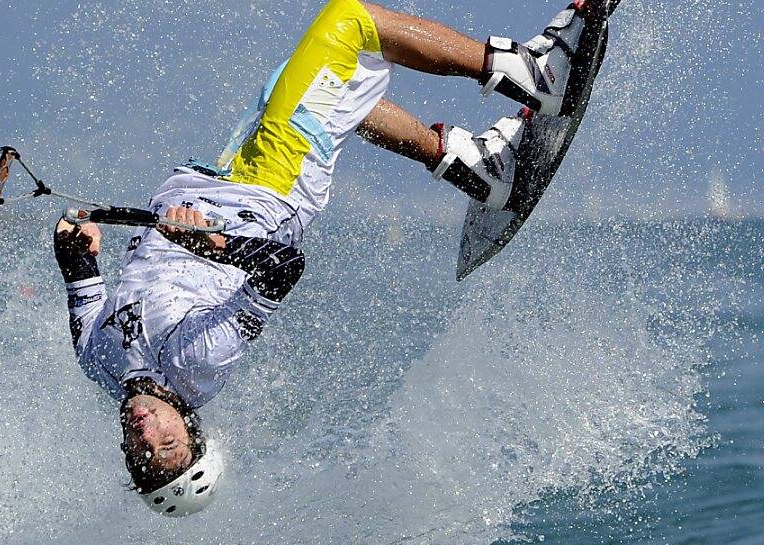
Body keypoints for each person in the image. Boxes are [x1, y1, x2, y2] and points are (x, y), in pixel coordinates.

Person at [53, 0, 594, 516]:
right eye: (166, 444)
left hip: (228, 170)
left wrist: (74, 244)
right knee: (350, 23)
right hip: (272, 185)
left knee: (314, 84)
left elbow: (80, 273)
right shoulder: (198, 362)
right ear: (190, 427)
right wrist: (208, 245)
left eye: (141, 453)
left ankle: (474, 168)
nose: (146, 434)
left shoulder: (97, 360)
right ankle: (530, 73)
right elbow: (283, 271)